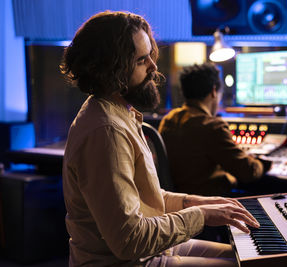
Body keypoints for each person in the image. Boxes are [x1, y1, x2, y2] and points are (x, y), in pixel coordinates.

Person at [60, 10, 260, 267]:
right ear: (113, 70)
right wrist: (201, 216)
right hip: (126, 261)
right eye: (142, 60)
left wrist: (195, 202)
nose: (154, 66)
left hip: (147, 253)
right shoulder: (106, 131)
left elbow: (145, 201)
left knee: (245, 258)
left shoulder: (121, 113)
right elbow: (129, 240)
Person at [158, 63, 272, 196]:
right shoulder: (212, 126)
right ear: (213, 91)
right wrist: (262, 163)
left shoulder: (168, 120)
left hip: (176, 203)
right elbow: (248, 172)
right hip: (208, 204)